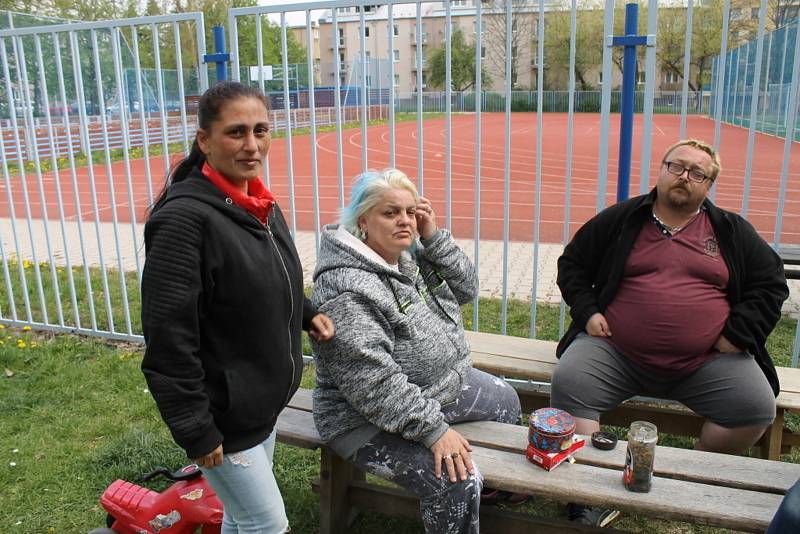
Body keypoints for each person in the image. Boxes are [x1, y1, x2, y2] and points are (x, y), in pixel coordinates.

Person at [552, 139, 789, 526]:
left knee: (755, 407)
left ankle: (692, 475)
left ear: (708, 185)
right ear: (661, 170)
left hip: (705, 362)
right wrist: (588, 310)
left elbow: (771, 285)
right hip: (617, 353)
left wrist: (738, 334)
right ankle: (588, 488)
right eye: (676, 167)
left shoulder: (730, 231)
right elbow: (573, 264)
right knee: (570, 382)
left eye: (698, 173)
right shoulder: (622, 219)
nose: (684, 177)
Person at [140, 81, 334, 534]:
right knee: (266, 524)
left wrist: (305, 311)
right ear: (204, 140)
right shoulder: (183, 222)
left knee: (242, 517)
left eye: (261, 130)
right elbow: (168, 337)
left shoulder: (256, 200)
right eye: (236, 132)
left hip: (259, 404)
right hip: (224, 416)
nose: (252, 145)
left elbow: (263, 278)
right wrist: (196, 426)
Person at [310, 169, 522, 534]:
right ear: (363, 220)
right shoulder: (347, 289)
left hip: (430, 389)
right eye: (390, 212)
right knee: (457, 481)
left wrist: (434, 237)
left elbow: (467, 288)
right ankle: (462, 503)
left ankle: (488, 496)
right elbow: (372, 384)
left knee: (507, 401)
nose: (404, 220)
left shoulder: (404, 255)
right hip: (361, 419)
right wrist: (435, 432)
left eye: (410, 211)